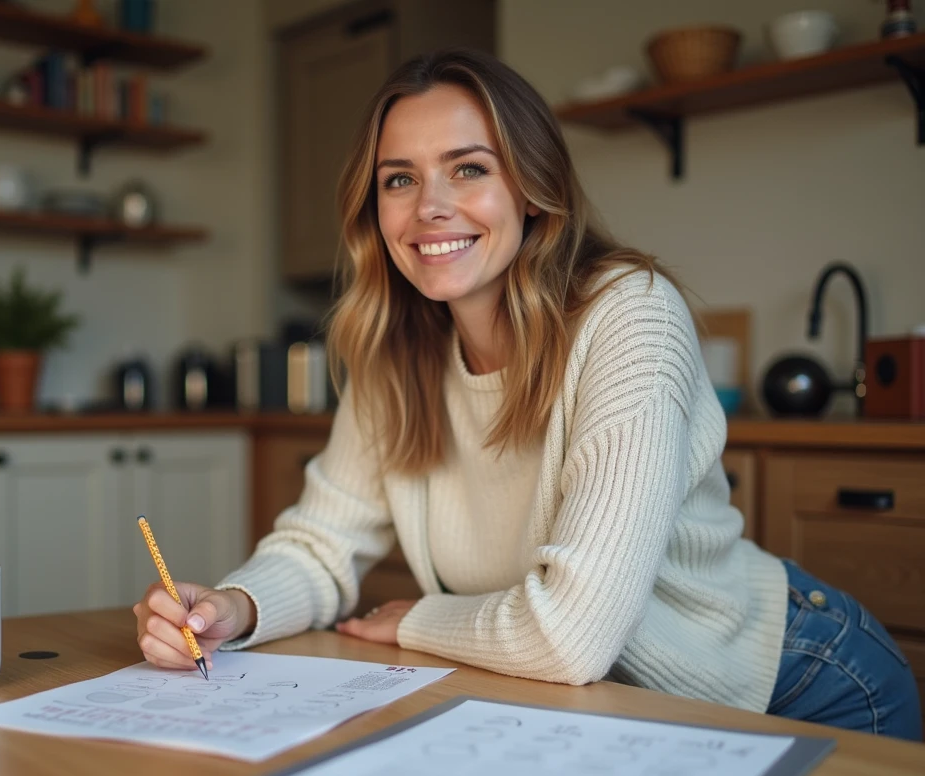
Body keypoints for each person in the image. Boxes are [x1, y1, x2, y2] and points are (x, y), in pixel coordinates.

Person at [133, 47, 921, 741]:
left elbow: (572, 636)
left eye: (469, 168)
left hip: (800, 685)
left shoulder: (629, 313)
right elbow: (319, 545)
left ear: (534, 189)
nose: (430, 205)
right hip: (603, 711)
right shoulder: (394, 349)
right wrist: (229, 611)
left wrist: (418, 620)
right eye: (399, 179)